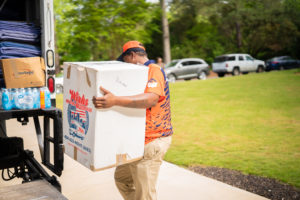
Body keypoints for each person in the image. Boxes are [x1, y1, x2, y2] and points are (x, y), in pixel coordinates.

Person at [92, 41, 173, 200]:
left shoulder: (153, 69)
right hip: (136, 140)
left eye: (125, 60)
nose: (125, 64)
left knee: (145, 195)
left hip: (152, 140)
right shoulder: (139, 75)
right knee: (123, 179)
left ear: (133, 55)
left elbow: (151, 99)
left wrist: (115, 101)